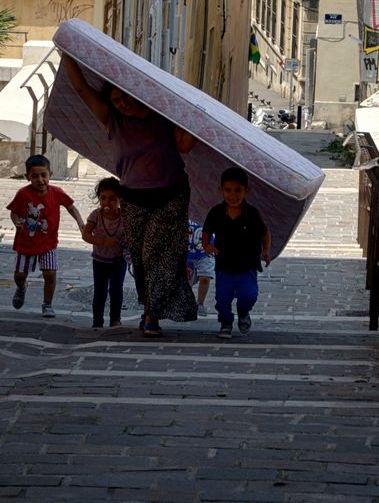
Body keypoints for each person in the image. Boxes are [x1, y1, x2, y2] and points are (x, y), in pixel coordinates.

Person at [61, 55, 198, 336]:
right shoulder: (113, 120)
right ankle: (153, 310)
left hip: (170, 195)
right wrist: (68, 53)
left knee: (152, 255)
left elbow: (185, 145)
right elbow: (82, 90)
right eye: (116, 101)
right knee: (139, 257)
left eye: (125, 98)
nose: (123, 104)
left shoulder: (163, 114)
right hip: (133, 199)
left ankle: (150, 315)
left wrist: (193, 116)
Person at [6, 154, 85, 318]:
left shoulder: (56, 192)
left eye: (44, 175)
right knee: (20, 275)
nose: (40, 180)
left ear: (51, 174)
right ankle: (21, 288)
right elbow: (14, 212)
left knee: (50, 273)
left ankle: (47, 304)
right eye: (34, 176)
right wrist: (16, 222)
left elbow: (71, 207)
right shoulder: (23, 194)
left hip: (48, 243)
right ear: (27, 176)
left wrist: (80, 223)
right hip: (25, 242)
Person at [202, 167, 271, 339]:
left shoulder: (252, 213)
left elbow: (264, 233)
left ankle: (243, 312)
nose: (233, 195)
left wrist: (266, 250)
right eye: (228, 190)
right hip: (224, 267)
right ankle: (225, 323)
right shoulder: (216, 212)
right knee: (222, 299)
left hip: (248, 266)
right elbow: (207, 231)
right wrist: (207, 246)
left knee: (249, 295)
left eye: (238, 190)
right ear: (221, 190)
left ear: (246, 190)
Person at [82, 176, 127, 328]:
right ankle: (97, 321)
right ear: (99, 198)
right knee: (100, 292)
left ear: (119, 199)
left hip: (118, 261)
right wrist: (101, 241)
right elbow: (86, 234)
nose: (107, 202)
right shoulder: (96, 215)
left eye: (112, 199)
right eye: (103, 198)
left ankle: (115, 318)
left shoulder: (124, 216)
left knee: (116, 290)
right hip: (99, 261)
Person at [187, 219, 214, 317]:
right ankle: (186, 302)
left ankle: (200, 303)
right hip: (188, 253)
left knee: (205, 278)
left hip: (206, 252)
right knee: (187, 281)